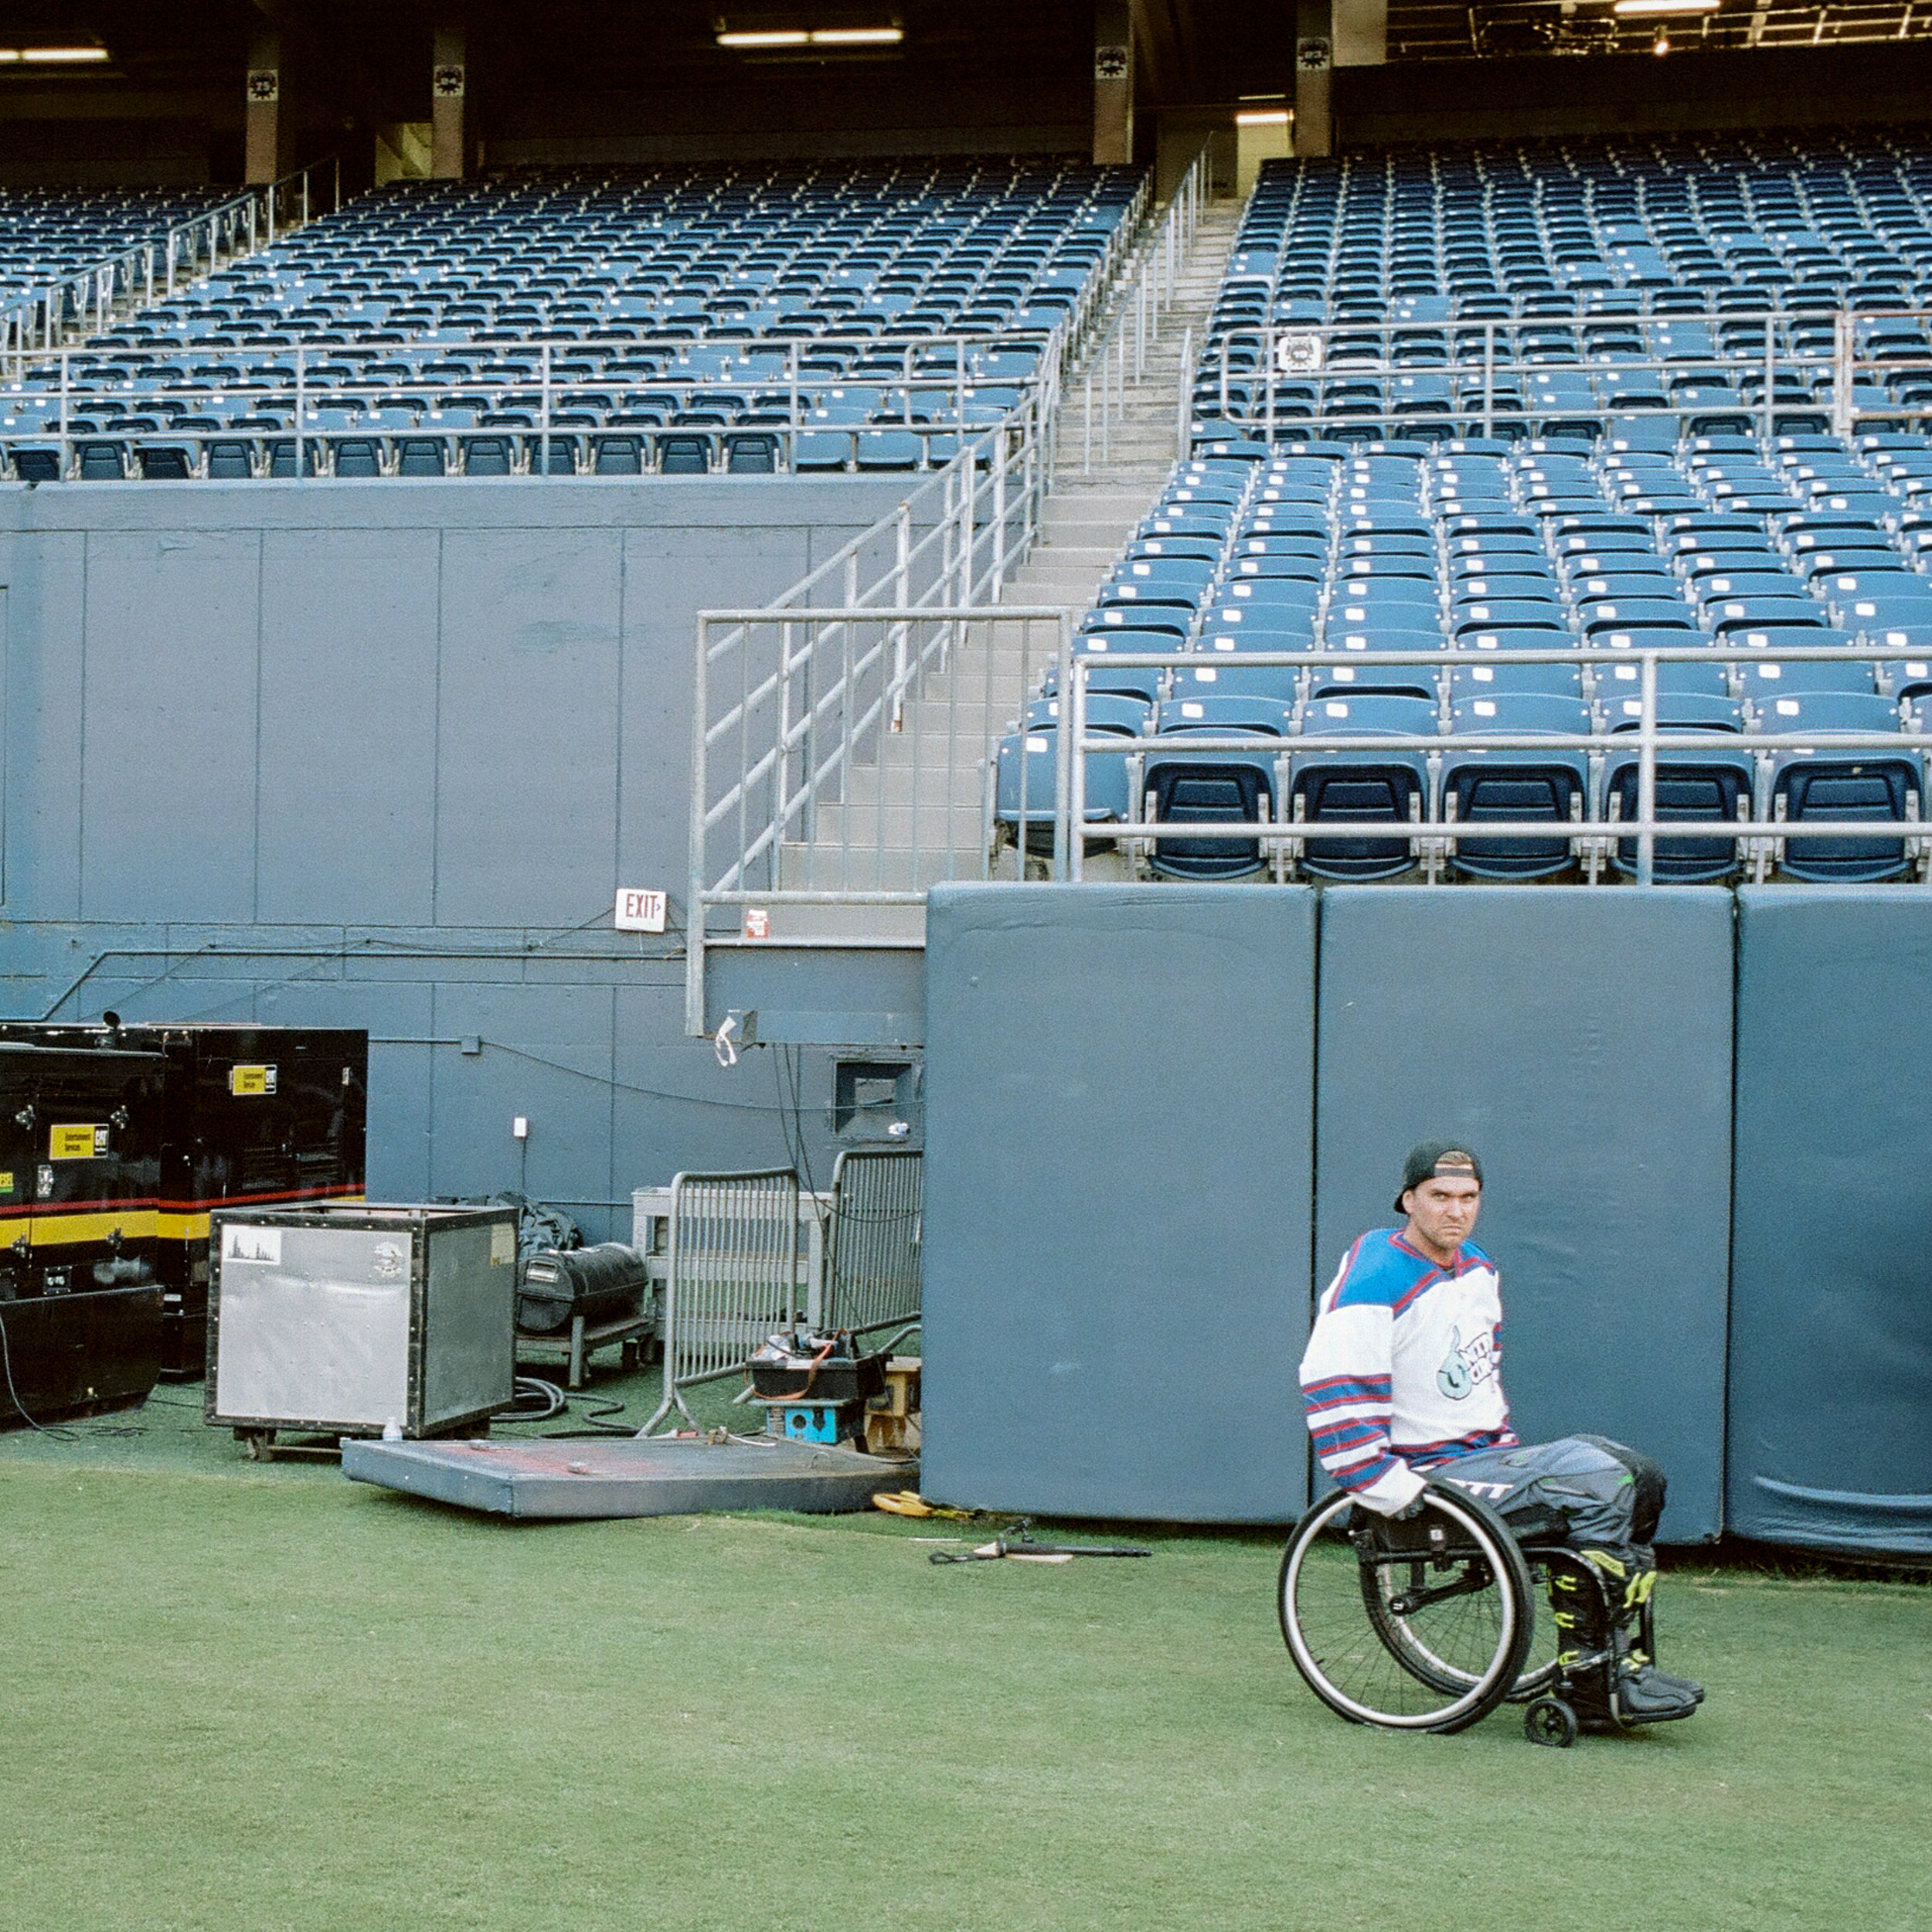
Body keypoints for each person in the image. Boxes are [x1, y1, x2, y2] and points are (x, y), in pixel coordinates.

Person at [1298, 1140, 1702, 1729]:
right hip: (1423, 1475)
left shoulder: (1480, 1269)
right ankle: (1591, 1687)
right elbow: (1329, 1381)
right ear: (1408, 1200)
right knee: (1595, 1486)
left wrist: (1509, 1454)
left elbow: (1482, 1375)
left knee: (1640, 1477)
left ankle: (1625, 1666)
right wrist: (1380, 1484)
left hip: (1487, 1458)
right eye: (1439, 1197)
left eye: (1468, 1198)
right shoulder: (1376, 1273)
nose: (1454, 1211)